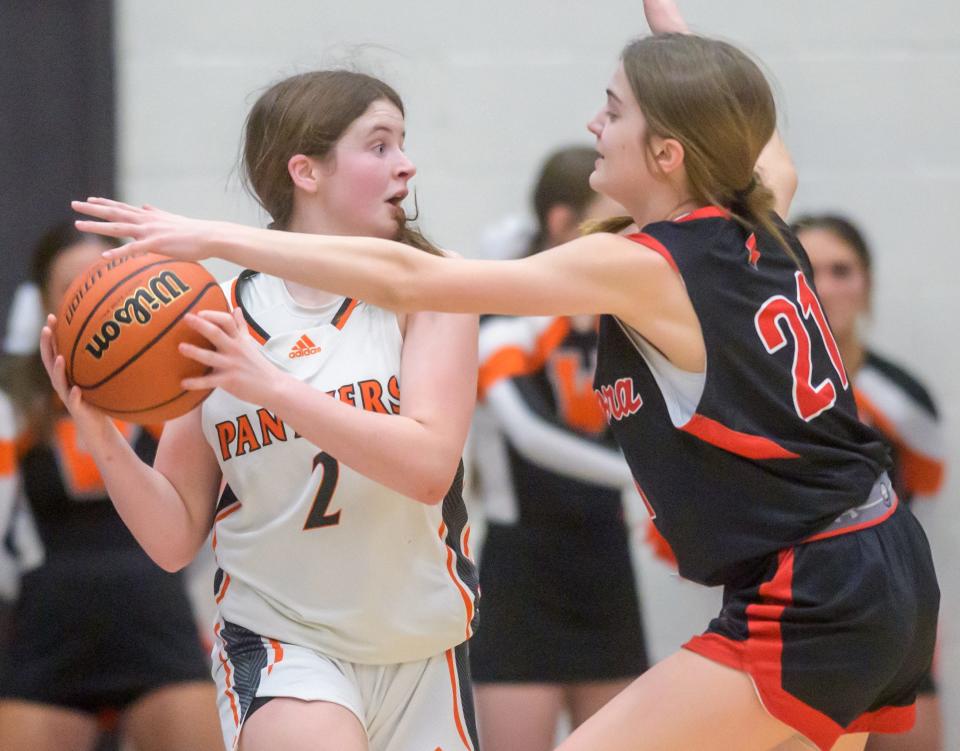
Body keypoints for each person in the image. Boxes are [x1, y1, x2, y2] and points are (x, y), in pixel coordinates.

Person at [70, 2, 941, 748]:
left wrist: (211, 235)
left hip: (812, 584)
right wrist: (672, 26)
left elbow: (414, 282)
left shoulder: (642, 262)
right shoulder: (762, 205)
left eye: (613, 110)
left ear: (669, 153)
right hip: (883, 563)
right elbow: (751, 133)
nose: (595, 126)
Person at [52, 71, 480, 751]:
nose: (407, 163)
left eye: (403, 141)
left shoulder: (431, 289)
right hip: (282, 639)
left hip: (420, 645)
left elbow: (428, 467)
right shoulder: (211, 314)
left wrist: (274, 388)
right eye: (379, 144)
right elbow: (173, 537)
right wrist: (98, 429)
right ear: (305, 171)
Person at [0, 223, 221, 751]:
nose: (90, 298)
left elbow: (214, 521)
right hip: (47, 628)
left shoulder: (180, 398)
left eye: (98, 281)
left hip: (160, 622)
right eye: (71, 289)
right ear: (45, 309)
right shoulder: (14, 408)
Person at [470, 146, 647, 751]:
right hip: (521, 574)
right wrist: (649, 480)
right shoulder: (504, 324)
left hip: (606, 566)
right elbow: (533, 436)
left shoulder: (626, 323)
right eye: (614, 220)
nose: (631, 236)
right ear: (561, 223)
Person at [794, 214, 946, 751]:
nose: (828, 287)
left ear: (868, 283)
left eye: (843, 270)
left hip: (892, 623)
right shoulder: (753, 393)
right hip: (796, 629)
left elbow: (919, 500)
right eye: (810, 271)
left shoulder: (903, 396)